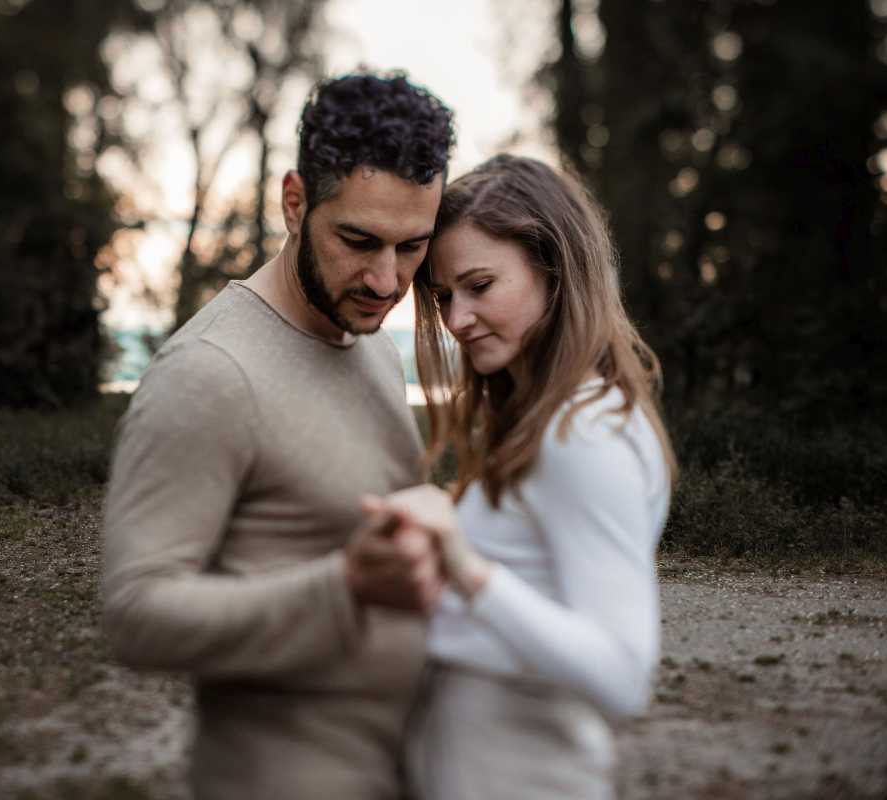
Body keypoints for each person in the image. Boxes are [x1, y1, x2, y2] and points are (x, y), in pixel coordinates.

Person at [101, 72, 456, 800]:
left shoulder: (375, 349)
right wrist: (345, 585)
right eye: (358, 240)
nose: (387, 281)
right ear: (294, 202)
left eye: (413, 247)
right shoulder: (209, 374)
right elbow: (136, 615)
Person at [368, 154, 677, 799]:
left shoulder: (582, 433)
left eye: (480, 286)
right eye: (445, 295)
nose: (455, 321)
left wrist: (465, 565)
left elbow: (623, 675)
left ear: (555, 271)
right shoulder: (550, 420)